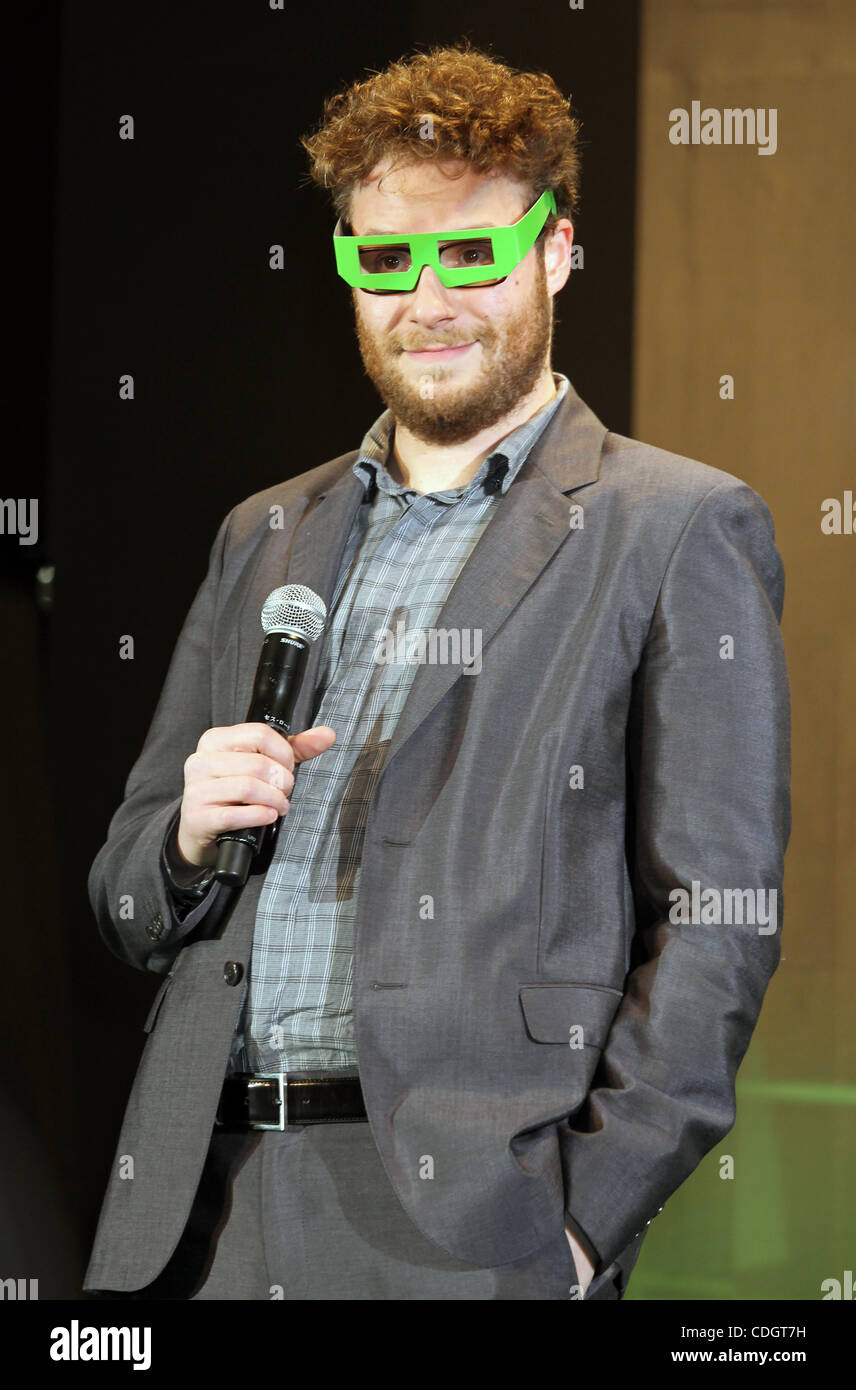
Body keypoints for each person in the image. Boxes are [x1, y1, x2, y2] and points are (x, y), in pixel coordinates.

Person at [83, 42, 791, 1301]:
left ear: (556, 253)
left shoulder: (675, 524)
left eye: (472, 255)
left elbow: (717, 920)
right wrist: (186, 842)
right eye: (386, 259)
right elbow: (126, 894)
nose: (430, 298)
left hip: (471, 1229)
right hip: (199, 1214)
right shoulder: (264, 534)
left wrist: (576, 1226)